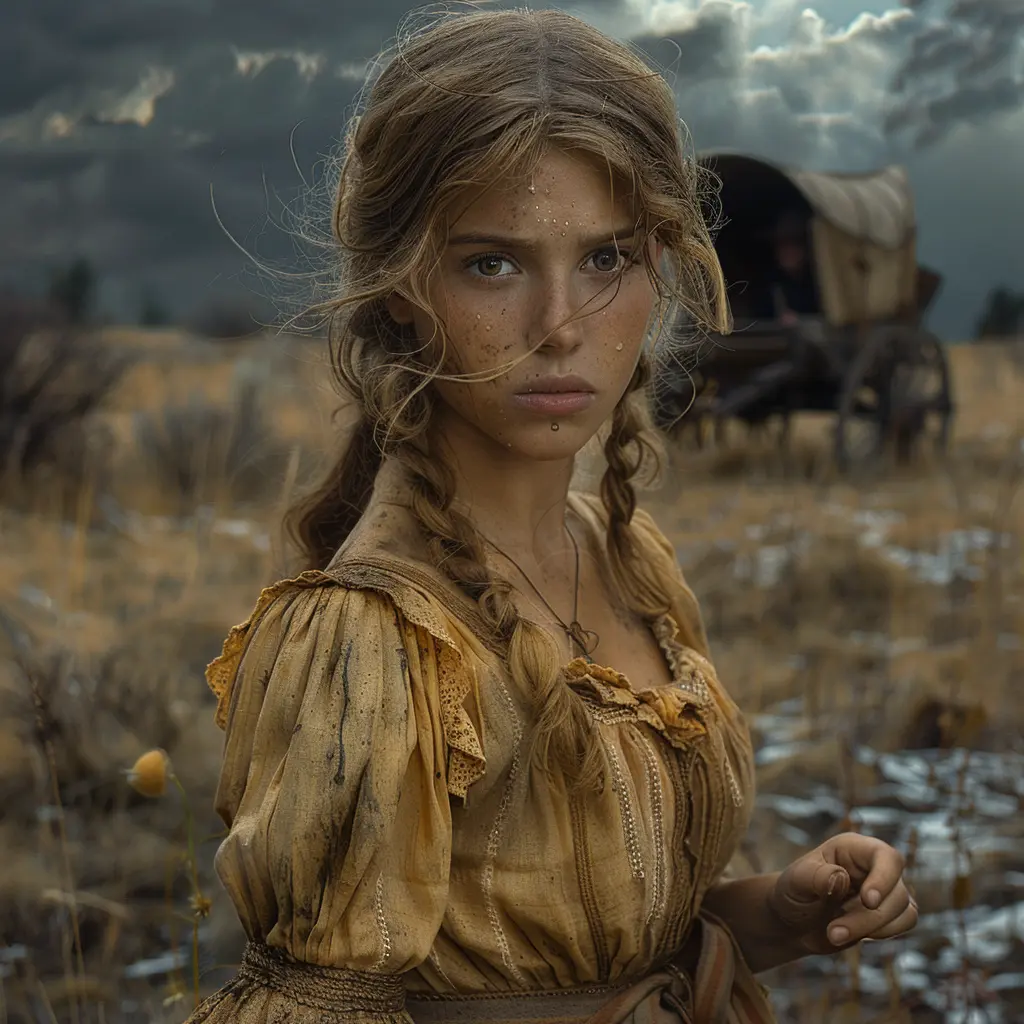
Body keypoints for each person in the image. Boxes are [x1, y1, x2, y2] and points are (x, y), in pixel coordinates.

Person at [187, 10, 917, 1023]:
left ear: (658, 263)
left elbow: (589, 956)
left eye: (605, 258)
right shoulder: (372, 639)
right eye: (492, 263)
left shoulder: (625, 556)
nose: (559, 326)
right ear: (400, 288)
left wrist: (774, 918)